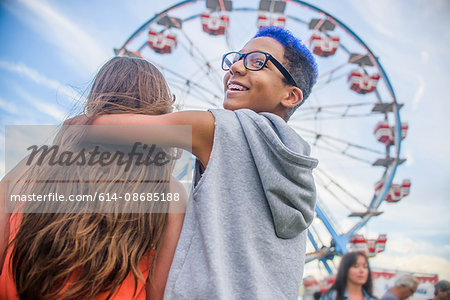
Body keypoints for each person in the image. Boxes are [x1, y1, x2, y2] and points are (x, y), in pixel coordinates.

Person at [89, 25, 319, 299]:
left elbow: (103, 127)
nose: (236, 67)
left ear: (290, 96)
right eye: (236, 58)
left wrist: (77, 124)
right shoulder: (299, 170)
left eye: (257, 62)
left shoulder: (219, 128)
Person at [0, 56, 187, 299]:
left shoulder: (36, 165)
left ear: (95, 100)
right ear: (160, 108)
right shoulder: (170, 193)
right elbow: (158, 293)